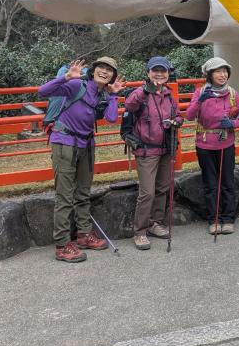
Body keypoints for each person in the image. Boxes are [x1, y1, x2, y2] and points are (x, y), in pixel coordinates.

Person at [39, 57, 125, 263]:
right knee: (64, 196)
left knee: (83, 193)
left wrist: (113, 95)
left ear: (112, 77)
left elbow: (111, 118)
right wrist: (66, 77)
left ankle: (84, 234)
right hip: (64, 141)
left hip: (86, 144)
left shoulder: (102, 94)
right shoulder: (77, 85)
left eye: (109, 70)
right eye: (101, 67)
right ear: (93, 71)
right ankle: (62, 245)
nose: (104, 71)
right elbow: (43, 91)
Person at [124, 56, 183, 250]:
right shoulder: (140, 92)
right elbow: (130, 105)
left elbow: (178, 115)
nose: (159, 74)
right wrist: (145, 90)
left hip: (165, 148)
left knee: (163, 188)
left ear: (167, 73)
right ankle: (140, 231)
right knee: (147, 192)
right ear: (148, 73)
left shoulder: (168, 94)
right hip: (146, 150)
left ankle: (155, 222)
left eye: (163, 71)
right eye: (155, 70)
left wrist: (176, 122)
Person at [185, 57, 239, 235]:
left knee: (227, 182)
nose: (222, 75)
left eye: (225, 71)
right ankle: (214, 219)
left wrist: (232, 124)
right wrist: (200, 101)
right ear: (209, 75)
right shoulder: (200, 92)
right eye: (218, 71)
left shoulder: (232, 93)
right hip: (205, 144)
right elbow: (189, 116)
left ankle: (228, 219)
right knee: (210, 184)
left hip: (226, 143)